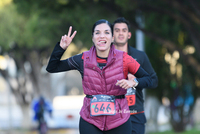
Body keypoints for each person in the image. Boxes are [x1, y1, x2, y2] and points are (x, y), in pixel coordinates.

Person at [46, 19, 153, 134]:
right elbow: (52, 67)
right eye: (97, 33)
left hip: (119, 121)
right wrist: (61, 48)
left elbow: (149, 79)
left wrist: (134, 82)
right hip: (90, 121)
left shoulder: (124, 59)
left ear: (112, 38)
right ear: (92, 38)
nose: (102, 36)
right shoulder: (82, 59)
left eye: (106, 32)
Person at [112, 17, 158, 134]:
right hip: (112, 114)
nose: (120, 33)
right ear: (112, 35)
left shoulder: (140, 56)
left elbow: (153, 81)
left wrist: (135, 81)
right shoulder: (105, 57)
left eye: (124, 30)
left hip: (135, 114)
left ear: (129, 35)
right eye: (117, 30)